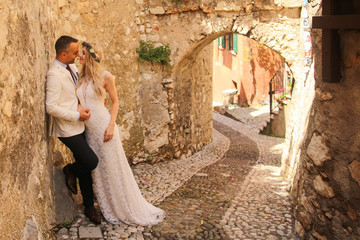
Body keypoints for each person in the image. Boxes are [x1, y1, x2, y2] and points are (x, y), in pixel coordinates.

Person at [76, 41, 165, 226]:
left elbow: (115, 102)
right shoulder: (79, 77)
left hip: (103, 127)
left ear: (92, 55)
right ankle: (105, 204)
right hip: (89, 130)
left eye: (83, 53)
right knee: (99, 170)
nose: (79, 56)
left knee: (113, 169)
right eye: (79, 53)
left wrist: (111, 126)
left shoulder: (106, 76)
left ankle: (122, 207)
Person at [45, 36, 101, 224]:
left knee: (85, 166)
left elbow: (75, 94)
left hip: (81, 124)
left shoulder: (73, 68)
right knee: (90, 161)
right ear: (63, 54)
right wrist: (76, 115)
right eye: (75, 52)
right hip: (67, 128)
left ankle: (88, 207)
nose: (78, 56)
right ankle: (70, 169)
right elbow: (50, 107)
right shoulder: (54, 74)